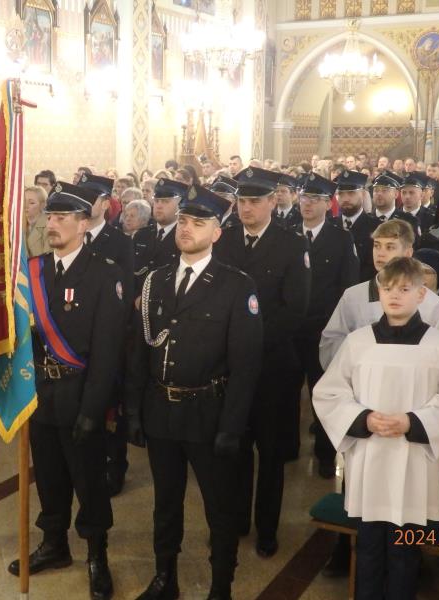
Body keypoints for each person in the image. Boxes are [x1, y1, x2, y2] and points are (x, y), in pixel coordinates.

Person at [125, 184, 263, 600]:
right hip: (161, 410)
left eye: (198, 223)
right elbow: (139, 352)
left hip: (208, 411)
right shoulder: (156, 280)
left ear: (217, 232)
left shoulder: (236, 286)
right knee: (165, 503)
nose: (186, 228)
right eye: (183, 220)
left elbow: (246, 366)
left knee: (219, 508)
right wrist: (134, 411)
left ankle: (221, 585)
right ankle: (164, 577)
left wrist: (232, 427)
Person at [313, 257, 439, 600]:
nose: (394, 296)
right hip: (369, 459)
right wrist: (363, 419)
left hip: (414, 462)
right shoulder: (357, 343)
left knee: (404, 552)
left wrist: (413, 422)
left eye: (404, 289)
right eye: (387, 289)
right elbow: (328, 393)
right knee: (368, 548)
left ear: (421, 295)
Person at [8, 182, 125, 600]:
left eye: (61, 218)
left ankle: (96, 553)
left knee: (88, 480)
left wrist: (94, 409)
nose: (52, 224)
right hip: (40, 392)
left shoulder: (105, 274)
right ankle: (54, 543)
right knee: (49, 476)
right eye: (49, 217)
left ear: (83, 224)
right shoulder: (33, 271)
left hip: (80, 393)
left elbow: (108, 352)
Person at [213, 167, 311, 558]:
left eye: (255, 201)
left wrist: (248, 341)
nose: (246, 208)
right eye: (242, 201)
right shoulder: (224, 240)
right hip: (230, 367)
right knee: (233, 449)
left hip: (273, 367)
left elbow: (295, 309)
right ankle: (237, 519)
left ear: (273, 201)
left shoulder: (291, 244)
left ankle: (267, 529)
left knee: (271, 454)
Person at [292, 172, 359, 479]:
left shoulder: (341, 239)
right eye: (304, 198)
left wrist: (340, 328)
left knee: (323, 392)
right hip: (291, 328)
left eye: (315, 199)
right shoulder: (288, 234)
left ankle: (324, 452)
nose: (307, 204)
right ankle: (288, 444)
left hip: (324, 329)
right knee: (287, 391)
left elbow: (348, 286)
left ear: (327, 203)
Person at [320, 219, 439, 369]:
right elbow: (331, 341)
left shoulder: (432, 303)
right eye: (377, 246)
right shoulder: (353, 296)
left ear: (408, 253)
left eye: (390, 247)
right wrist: (360, 357)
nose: (380, 253)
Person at [77, 173, 134, 497]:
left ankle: (115, 465)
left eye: (91, 199)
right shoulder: (74, 234)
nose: (85, 205)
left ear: (104, 203)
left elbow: (125, 292)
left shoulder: (119, 241)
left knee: (111, 405)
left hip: (108, 336)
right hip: (74, 341)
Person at [132, 178, 184, 295]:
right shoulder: (141, 234)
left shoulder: (183, 237)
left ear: (180, 205)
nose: (159, 206)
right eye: (156, 201)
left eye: (165, 201)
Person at [333, 170, 379, 282]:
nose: (345, 199)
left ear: (363, 194)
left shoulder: (376, 226)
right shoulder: (330, 225)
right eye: (341, 194)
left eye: (351, 193)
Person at [369, 170, 422, 246]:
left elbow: (414, 249)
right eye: (376, 190)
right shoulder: (365, 219)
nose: (379, 194)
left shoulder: (408, 221)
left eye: (384, 190)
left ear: (396, 194)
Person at [25, 185, 51, 257]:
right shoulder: (19, 225)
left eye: (31, 203)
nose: (25, 206)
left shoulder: (49, 227)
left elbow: (48, 258)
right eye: (23, 201)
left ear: (43, 205)